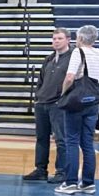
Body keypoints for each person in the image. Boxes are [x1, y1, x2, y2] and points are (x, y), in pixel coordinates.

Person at [56, 24, 99, 195]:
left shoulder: (78, 52)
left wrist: (63, 94)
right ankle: (88, 183)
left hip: (77, 101)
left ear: (81, 38)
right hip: (94, 102)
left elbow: (70, 77)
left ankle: (70, 182)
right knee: (87, 143)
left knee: (71, 141)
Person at [22, 28, 71, 183]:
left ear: (68, 40)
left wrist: (62, 98)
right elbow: (41, 80)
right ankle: (41, 169)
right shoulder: (49, 59)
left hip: (58, 104)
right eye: (54, 38)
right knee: (41, 138)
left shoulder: (72, 58)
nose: (56, 41)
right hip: (42, 103)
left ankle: (61, 171)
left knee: (61, 139)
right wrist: (38, 97)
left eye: (59, 38)